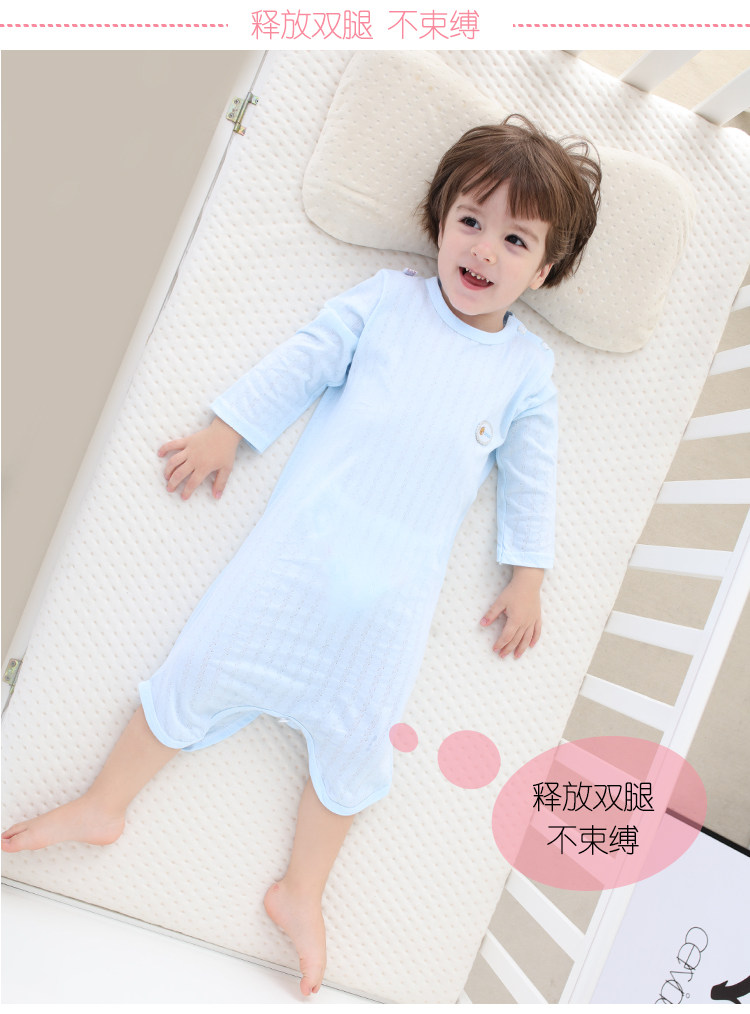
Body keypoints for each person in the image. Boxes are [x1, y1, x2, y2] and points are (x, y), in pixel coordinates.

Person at [2, 115, 601, 997]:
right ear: (438, 221)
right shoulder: (386, 303)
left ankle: (301, 891)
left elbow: (533, 475)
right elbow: (305, 361)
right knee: (198, 667)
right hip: (296, 558)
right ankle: (103, 803)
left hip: (391, 598)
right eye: (470, 220)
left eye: (516, 240)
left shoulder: (524, 371)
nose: (483, 249)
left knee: (358, 742)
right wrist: (229, 429)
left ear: (545, 270)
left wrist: (529, 575)